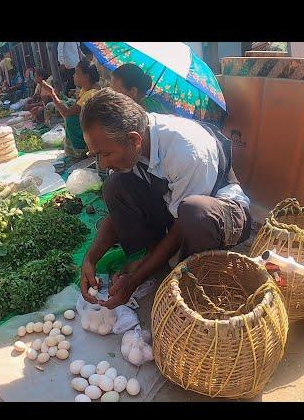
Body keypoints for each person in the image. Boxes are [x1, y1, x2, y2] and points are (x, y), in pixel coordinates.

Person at [77, 89, 252, 309]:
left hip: (220, 214)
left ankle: (185, 276)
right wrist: (90, 258)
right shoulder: (132, 142)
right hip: (175, 206)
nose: (102, 164)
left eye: (105, 154)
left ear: (134, 140)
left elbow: (182, 227)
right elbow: (120, 212)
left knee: (195, 213)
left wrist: (135, 280)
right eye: (96, 154)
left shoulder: (185, 152)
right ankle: (145, 258)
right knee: (114, 185)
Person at [42, 58, 100, 160]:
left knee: (71, 118)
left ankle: (79, 152)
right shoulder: (86, 89)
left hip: (92, 131)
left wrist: (52, 93)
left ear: (86, 76)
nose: (74, 76)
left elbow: (66, 113)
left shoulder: (91, 94)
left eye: (77, 73)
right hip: (87, 127)